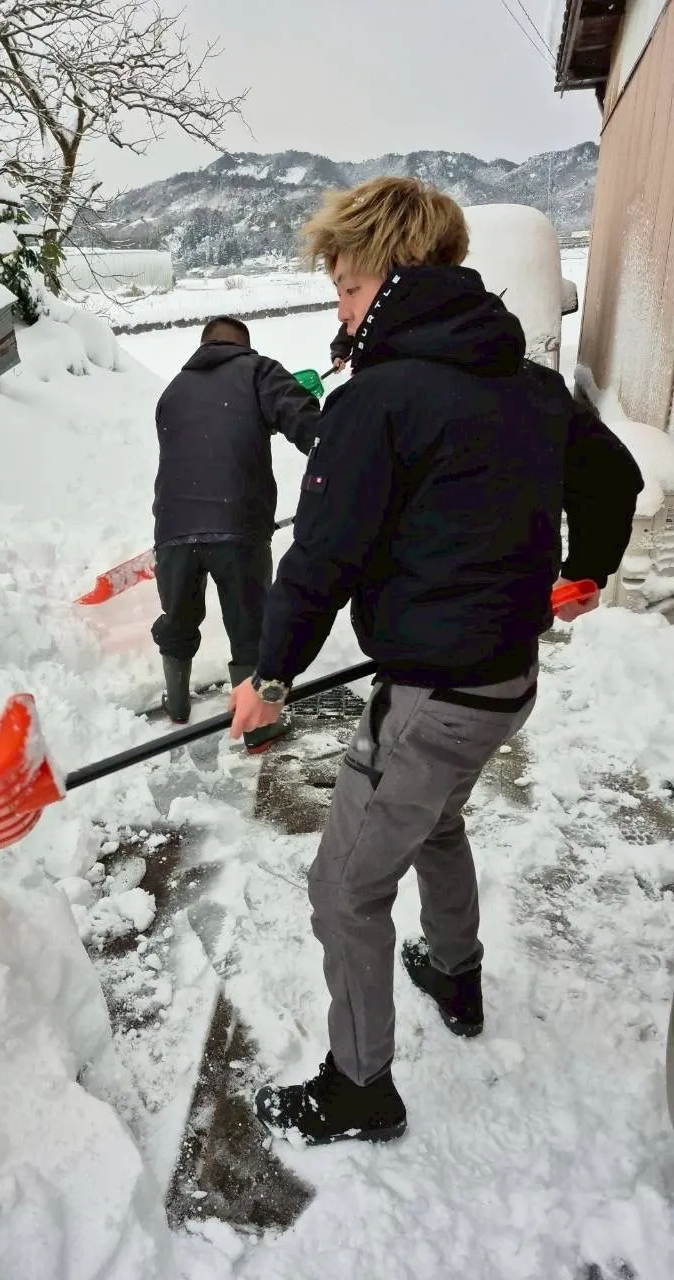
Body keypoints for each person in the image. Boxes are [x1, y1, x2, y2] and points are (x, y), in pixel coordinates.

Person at [229, 177, 644, 1143]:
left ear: (387, 278)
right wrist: (586, 567)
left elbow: (320, 558)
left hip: (434, 698)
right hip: (506, 682)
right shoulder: (529, 384)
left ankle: (358, 1087)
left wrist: (269, 677)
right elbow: (613, 477)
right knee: (437, 819)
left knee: (344, 888)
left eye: (344, 288)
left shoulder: (378, 399)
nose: (340, 309)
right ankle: (455, 974)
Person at [152, 315, 319, 752]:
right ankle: (258, 730)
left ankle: (176, 703)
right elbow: (303, 417)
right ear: (243, 346)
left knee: (178, 619)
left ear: (204, 346)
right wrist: (335, 457)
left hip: (174, 530)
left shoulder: (172, 392)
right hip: (238, 527)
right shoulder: (257, 370)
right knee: (249, 626)